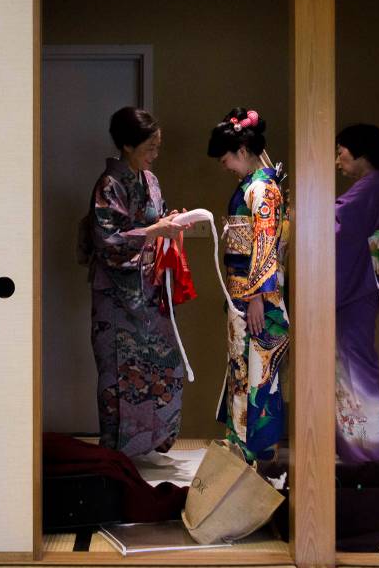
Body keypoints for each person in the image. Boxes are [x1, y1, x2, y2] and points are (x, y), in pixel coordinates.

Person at [85, 107, 189, 456]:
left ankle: (150, 445)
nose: (156, 154)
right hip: (116, 298)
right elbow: (106, 241)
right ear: (127, 145)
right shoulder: (109, 184)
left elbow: (155, 223)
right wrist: (152, 231)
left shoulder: (151, 181)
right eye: (150, 147)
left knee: (166, 367)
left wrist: (168, 223)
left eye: (158, 146)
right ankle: (116, 455)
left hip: (149, 292)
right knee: (119, 376)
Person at [207, 108, 290, 462]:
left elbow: (265, 243)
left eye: (225, 158)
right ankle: (242, 449)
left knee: (257, 375)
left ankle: (256, 453)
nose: (223, 165)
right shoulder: (252, 185)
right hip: (242, 293)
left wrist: (257, 297)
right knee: (243, 369)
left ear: (242, 151)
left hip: (257, 296)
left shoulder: (262, 188)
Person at [335, 123, 379, 463]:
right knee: (350, 366)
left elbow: (334, 224)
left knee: (357, 367)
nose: (337, 160)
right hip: (359, 287)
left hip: (357, 290)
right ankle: (357, 449)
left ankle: (372, 453)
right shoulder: (372, 188)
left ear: (361, 152)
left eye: (342, 152)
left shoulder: (370, 188)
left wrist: (305, 216)